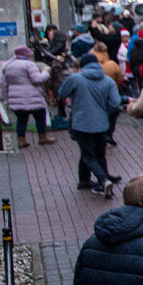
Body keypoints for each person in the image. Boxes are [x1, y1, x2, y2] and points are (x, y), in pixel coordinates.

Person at [59, 54, 125, 198]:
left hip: (82, 123)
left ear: (82, 66)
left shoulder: (76, 78)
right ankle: (85, 180)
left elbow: (62, 92)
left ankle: (103, 180)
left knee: (88, 156)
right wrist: (103, 111)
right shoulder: (108, 81)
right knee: (100, 155)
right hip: (102, 124)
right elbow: (115, 102)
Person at [0, 45, 53, 148]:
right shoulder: (29, 64)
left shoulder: (8, 66)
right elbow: (37, 80)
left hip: (16, 98)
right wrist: (45, 72)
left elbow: (3, 84)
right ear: (26, 55)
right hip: (32, 97)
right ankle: (42, 137)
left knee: (21, 119)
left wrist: (7, 98)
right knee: (40, 115)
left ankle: (21, 140)